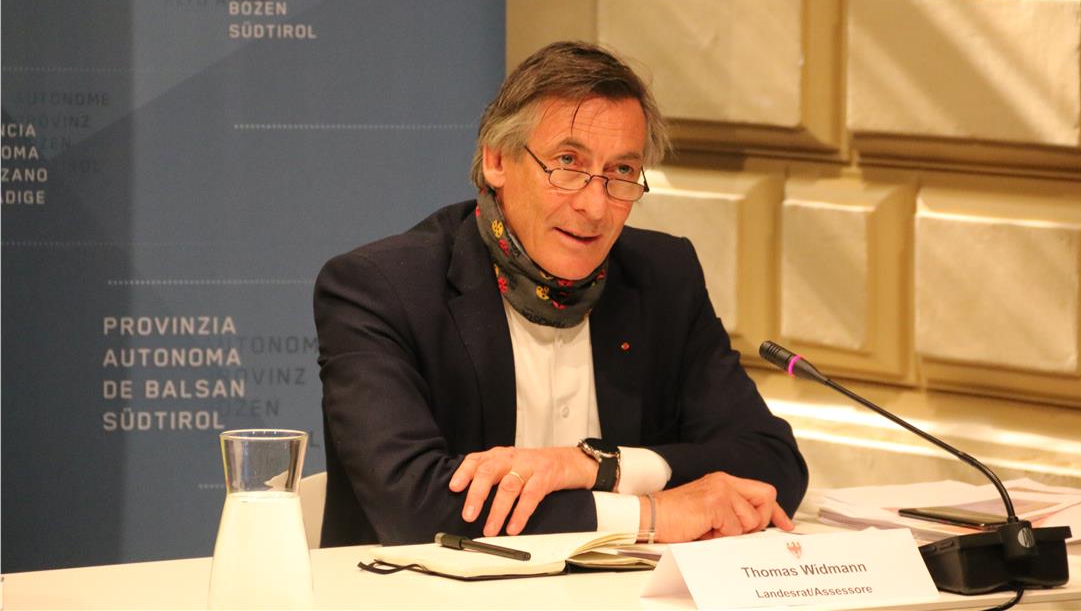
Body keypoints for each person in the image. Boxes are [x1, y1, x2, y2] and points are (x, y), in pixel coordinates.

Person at [314, 41, 807, 548]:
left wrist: (595, 466)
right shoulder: (382, 289)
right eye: (568, 163)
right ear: (497, 161)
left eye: (621, 172)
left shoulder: (662, 275)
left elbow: (772, 466)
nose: (595, 206)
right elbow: (414, 508)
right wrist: (649, 515)